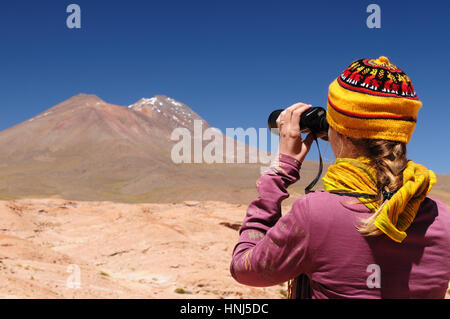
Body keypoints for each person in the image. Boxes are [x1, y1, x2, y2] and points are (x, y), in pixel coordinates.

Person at [230, 56, 450, 298]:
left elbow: (243, 268)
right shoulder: (442, 220)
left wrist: (280, 173)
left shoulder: (315, 214)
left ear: (339, 133)